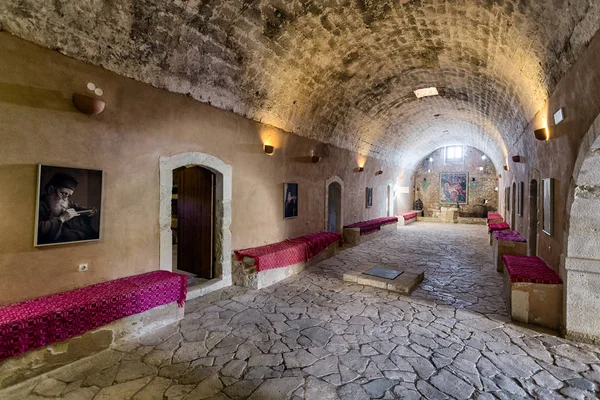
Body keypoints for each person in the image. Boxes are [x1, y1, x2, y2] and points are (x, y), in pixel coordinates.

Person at [37, 172, 98, 245]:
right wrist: (61, 219)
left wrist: (88, 210)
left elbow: (76, 206)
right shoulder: (39, 205)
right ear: (51, 189)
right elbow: (39, 229)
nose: (66, 199)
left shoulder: (67, 201)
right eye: (63, 193)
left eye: (68, 195)